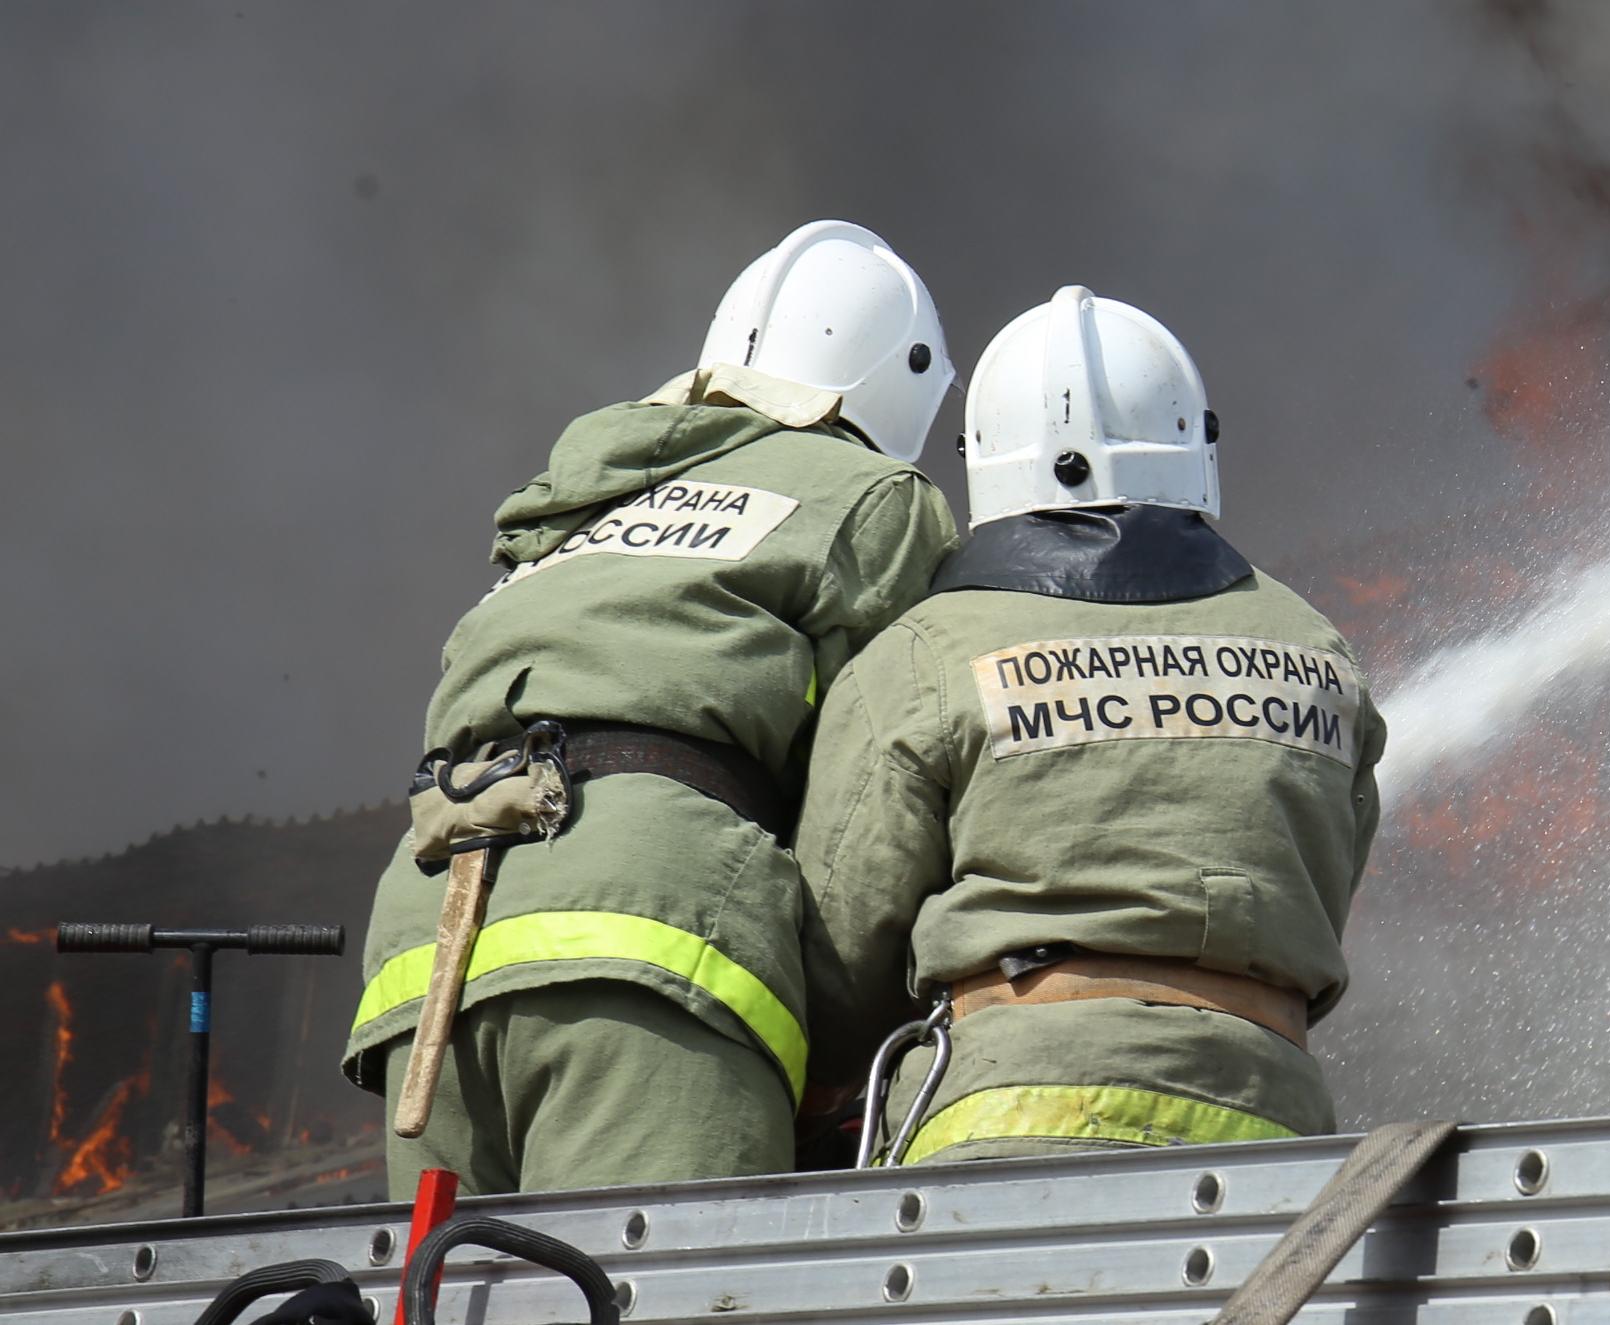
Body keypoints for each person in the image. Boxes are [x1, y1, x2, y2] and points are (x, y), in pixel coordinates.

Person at [340, 220, 962, 1194]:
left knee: (447, 1274)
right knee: (648, 1275)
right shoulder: (873, 494)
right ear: (905, 383)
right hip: (648, 934)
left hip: (429, 943)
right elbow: (874, 783)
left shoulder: (586, 500)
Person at [798, 286, 1381, 1164]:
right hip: (1268, 1131)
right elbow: (1321, 890)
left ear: (983, 460)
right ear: (1194, 445)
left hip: (1000, 1126)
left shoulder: (925, 651)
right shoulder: (1315, 646)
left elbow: (840, 961)